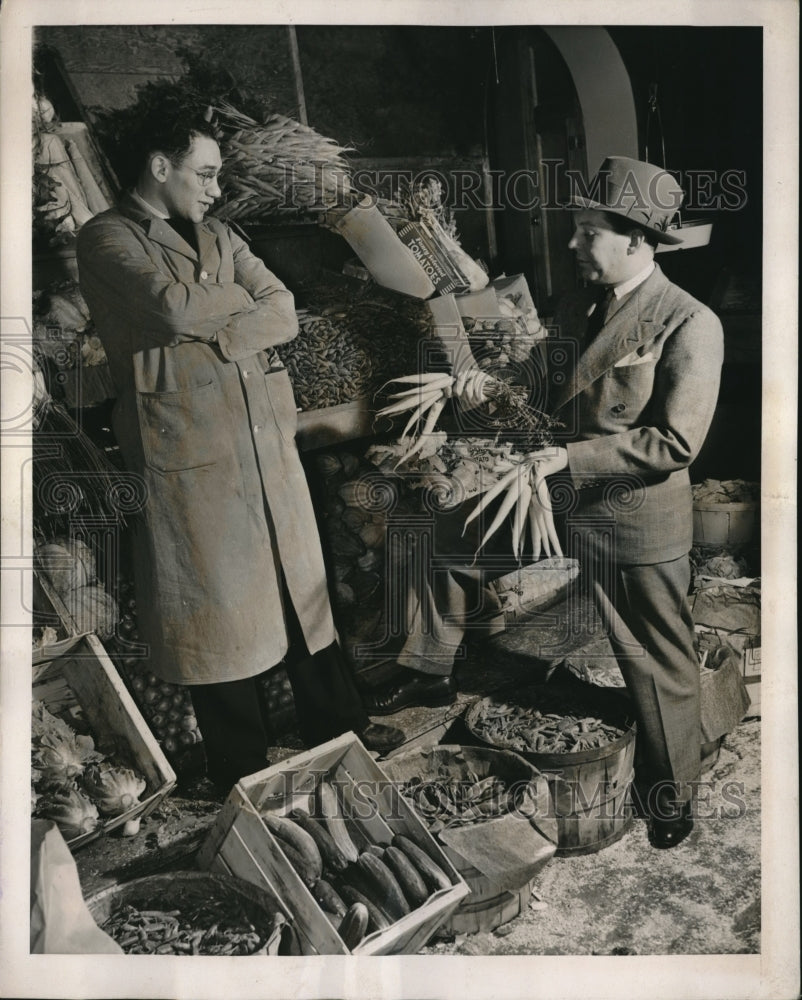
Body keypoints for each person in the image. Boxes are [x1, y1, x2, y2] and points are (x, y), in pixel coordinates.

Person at [76, 110, 403, 790]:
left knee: (297, 588)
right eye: (205, 173)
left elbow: (282, 308)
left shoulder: (222, 232)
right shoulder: (108, 238)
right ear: (158, 168)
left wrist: (221, 333)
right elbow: (170, 310)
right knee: (215, 608)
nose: (217, 189)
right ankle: (240, 763)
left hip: (261, 439)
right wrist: (236, 306)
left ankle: (337, 724)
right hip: (190, 451)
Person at [528, 156, 724, 848]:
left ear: (638, 240)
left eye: (589, 232)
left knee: (659, 661)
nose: (575, 244)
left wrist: (569, 458)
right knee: (623, 649)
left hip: (642, 525)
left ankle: (672, 799)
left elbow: (674, 441)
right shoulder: (583, 305)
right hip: (586, 514)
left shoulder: (688, 321)